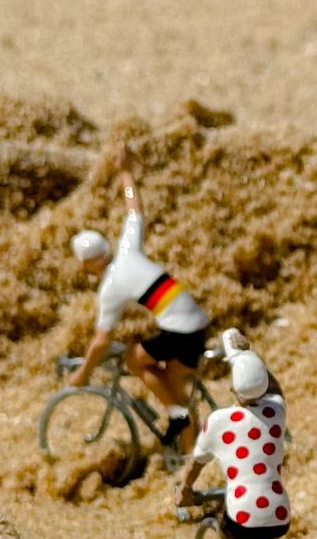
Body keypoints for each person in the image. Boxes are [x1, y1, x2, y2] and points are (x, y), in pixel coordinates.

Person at [67, 143, 210, 446]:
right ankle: (189, 444)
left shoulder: (110, 288)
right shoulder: (126, 249)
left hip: (179, 330)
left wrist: (83, 373)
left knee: (133, 359)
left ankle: (177, 417)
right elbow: (134, 208)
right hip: (196, 320)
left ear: (86, 265)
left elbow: (101, 340)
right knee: (171, 379)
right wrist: (125, 173)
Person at [176, 329, 290, 539]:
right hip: (278, 511)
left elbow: (195, 464)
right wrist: (246, 355)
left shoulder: (219, 420)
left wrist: (184, 490)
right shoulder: (276, 410)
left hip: (243, 510)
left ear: (233, 389)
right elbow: (274, 387)